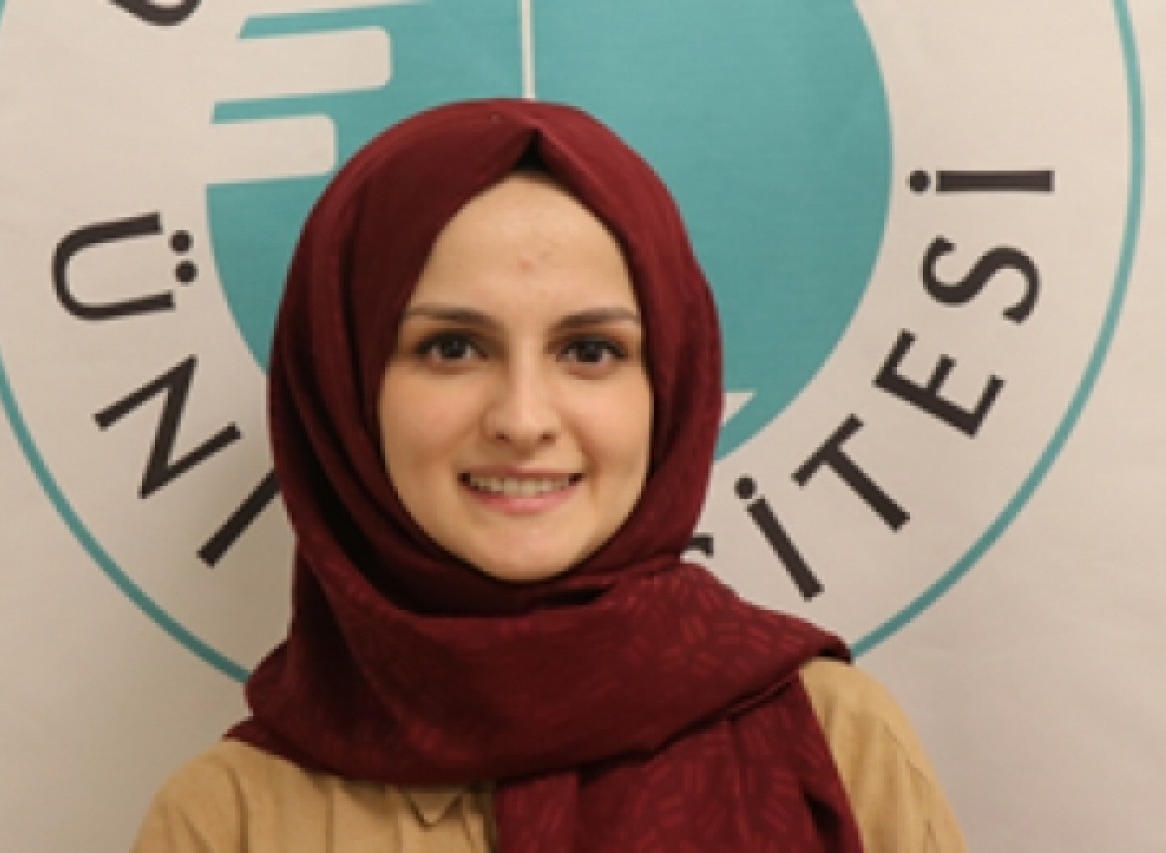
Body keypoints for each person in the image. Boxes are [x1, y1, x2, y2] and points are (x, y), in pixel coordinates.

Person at [133, 99, 966, 851]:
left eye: (589, 350)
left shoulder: (837, 741)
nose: (524, 418)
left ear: (669, 386)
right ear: (345, 388)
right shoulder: (228, 822)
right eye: (451, 347)